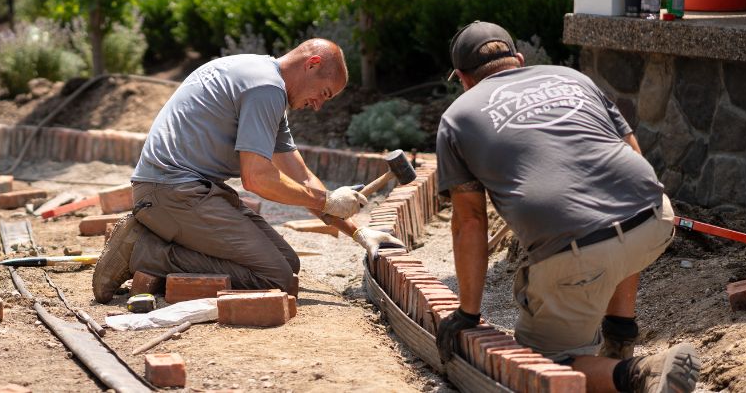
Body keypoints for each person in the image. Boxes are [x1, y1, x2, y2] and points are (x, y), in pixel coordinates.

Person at [433, 21, 699, 392]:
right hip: (654, 216)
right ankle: (619, 338)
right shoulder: (572, 77)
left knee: (539, 365)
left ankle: (643, 372)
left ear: (462, 78)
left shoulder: (457, 118)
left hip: (578, 249)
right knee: (617, 220)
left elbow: (470, 223)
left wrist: (467, 313)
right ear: (519, 60)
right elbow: (630, 159)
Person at [92, 39, 403, 303]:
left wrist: (358, 232)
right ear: (312, 63)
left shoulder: (264, 82)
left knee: (287, 262)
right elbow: (256, 178)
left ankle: (162, 238)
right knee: (274, 275)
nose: (319, 105)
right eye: (324, 93)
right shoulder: (266, 88)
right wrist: (325, 201)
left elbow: (302, 177)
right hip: (170, 191)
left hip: (188, 191)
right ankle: (143, 250)